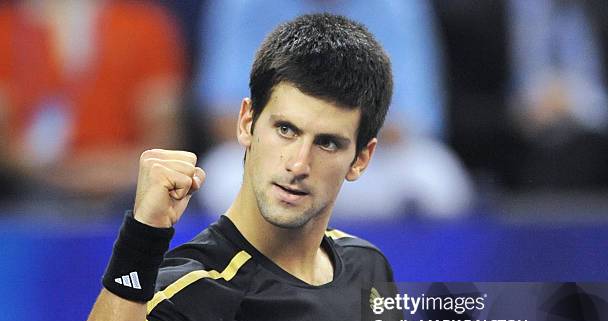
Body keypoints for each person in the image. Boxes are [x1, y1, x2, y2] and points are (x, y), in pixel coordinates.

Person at [67, 13, 442, 321]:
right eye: (285, 129)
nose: (298, 163)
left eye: (327, 143)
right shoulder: (192, 295)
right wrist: (141, 240)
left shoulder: (369, 268)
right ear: (247, 122)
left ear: (361, 158)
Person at [194, 0, 474, 219]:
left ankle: (405, 278)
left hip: (366, 161)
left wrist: (327, 131)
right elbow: (225, 116)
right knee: (224, 178)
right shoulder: (244, 5)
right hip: (279, 156)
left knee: (439, 180)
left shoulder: (397, 6)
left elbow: (415, 118)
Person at [0, 0, 185, 204]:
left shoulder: (143, 24)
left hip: (131, 184)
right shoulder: (7, 29)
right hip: (35, 188)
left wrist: (114, 171)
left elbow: (163, 134)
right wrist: (69, 174)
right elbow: (7, 145)